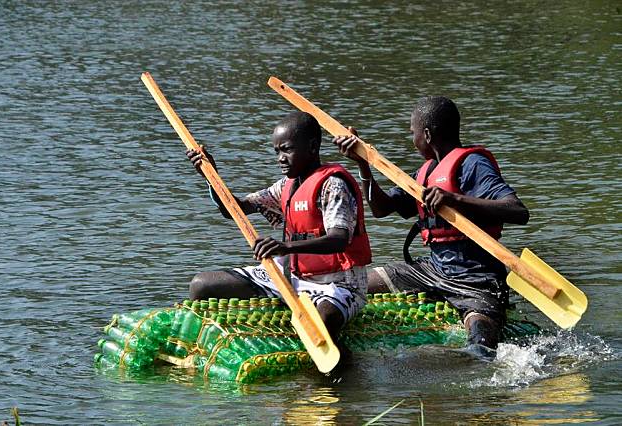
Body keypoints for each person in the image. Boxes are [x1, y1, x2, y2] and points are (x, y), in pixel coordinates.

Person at [333, 96, 529, 351]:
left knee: (481, 345)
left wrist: (455, 199)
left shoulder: (473, 165)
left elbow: (518, 211)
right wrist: (364, 166)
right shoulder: (425, 173)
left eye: (412, 133)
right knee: (354, 282)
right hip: (431, 271)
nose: (412, 140)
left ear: (426, 134)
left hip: (476, 279)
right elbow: (381, 209)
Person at [186, 111, 371, 342]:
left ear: (312, 148)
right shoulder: (286, 185)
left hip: (338, 284)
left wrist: (285, 247)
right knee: (201, 285)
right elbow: (234, 208)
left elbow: (339, 239)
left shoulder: (333, 185)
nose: (280, 158)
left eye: (287, 150)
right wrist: (210, 176)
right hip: (291, 278)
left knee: (323, 324)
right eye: (277, 151)